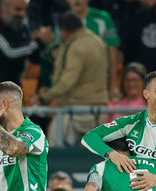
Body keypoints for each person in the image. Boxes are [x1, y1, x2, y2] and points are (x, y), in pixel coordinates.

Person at [32, 12, 109, 147]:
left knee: (56, 149)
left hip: (75, 110)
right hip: (98, 109)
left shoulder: (76, 47)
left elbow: (68, 81)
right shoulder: (98, 41)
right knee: (94, 154)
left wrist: (44, 97)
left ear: (63, 30)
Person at [0, 0, 50, 110]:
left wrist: (42, 42)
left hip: (15, 91)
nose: (22, 14)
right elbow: (10, 52)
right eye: (17, 9)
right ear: (4, 7)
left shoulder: (22, 28)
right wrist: (38, 42)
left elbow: (33, 57)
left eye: (24, 10)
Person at [66, 0, 123, 99]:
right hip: (72, 84)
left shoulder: (103, 18)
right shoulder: (64, 20)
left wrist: (113, 86)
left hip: (99, 84)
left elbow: (112, 55)